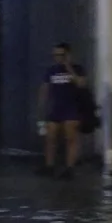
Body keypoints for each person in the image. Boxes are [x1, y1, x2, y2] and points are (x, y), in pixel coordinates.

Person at [38, 42, 87, 179]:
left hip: (71, 108)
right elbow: (44, 88)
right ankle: (49, 166)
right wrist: (42, 106)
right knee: (50, 137)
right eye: (55, 55)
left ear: (68, 55)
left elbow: (81, 84)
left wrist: (69, 67)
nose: (58, 58)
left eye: (61, 55)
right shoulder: (51, 70)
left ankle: (70, 167)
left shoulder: (78, 69)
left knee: (70, 138)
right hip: (55, 108)